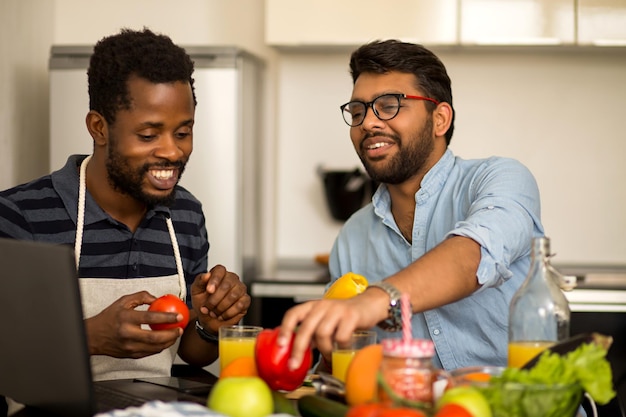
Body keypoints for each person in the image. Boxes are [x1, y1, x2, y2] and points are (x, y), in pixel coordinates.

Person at [0, 28, 251, 382]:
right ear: (99, 128)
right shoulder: (20, 215)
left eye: (183, 132)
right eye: (148, 135)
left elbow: (193, 354)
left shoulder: (186, 216)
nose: (172, 151)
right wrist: (89, 337)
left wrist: (210, 323)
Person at [279, 40, 544, 373]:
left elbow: (474, 254)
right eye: (358, 111)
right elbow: (342, 371)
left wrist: (374, 301)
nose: (368, 123)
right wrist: (331, 349)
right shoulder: (353, 237)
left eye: (389, 105)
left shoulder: (500, 179)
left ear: (440, 119)